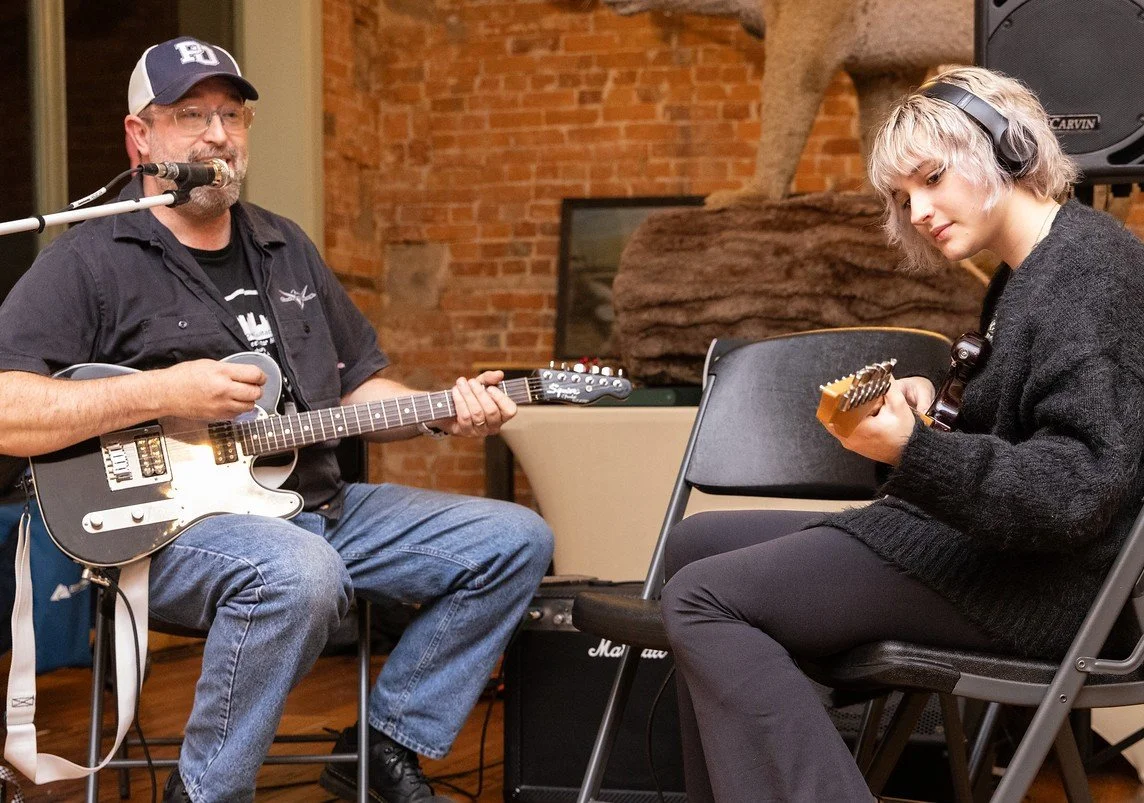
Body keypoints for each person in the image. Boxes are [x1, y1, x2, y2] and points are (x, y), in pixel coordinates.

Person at [0, 37, 554, 803]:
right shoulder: (91, 259)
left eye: (232, 114)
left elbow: (358, 389)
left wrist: (443, 411)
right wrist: (161, 393)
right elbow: (6, 410)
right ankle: (203, 793)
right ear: (141, 137)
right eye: (191, 114)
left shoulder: (284, 245)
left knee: (514, 538)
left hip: (318, 504)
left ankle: (382, 741)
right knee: (298, 571)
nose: (217, 134)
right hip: (167, 531)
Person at [659, 65, 1144, 802]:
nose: (917, 210)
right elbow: (1014, 433)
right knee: (690, 547)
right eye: (902, 196)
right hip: (992, 555)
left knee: (703, 596)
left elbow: (1074, 489)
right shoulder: (1031, 273)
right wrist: (936, 410)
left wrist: (913, 451)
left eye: (931, 178)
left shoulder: (1091, 272)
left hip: (1038, 588)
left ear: (1008, 150)